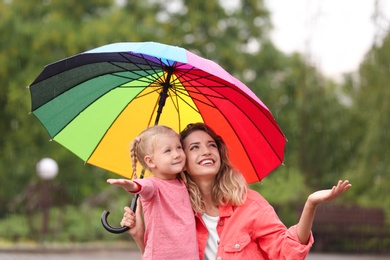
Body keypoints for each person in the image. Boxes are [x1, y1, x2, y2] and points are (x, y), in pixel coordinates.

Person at [121, 123, 352, 260]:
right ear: (181, 159)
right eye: (194, 147)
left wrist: (310, 204)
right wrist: (140, 235)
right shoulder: (179, 210)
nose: (206, 151)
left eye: (212, 145)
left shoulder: (250, 204)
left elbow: (287, 253)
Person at [107, 125, 198, 260]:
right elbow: (143, 187)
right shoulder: (154, 185)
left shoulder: (182, 183)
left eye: (179, 147)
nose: (177, 154)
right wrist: (131, 185)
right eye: (168, 151)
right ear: (150, 161)